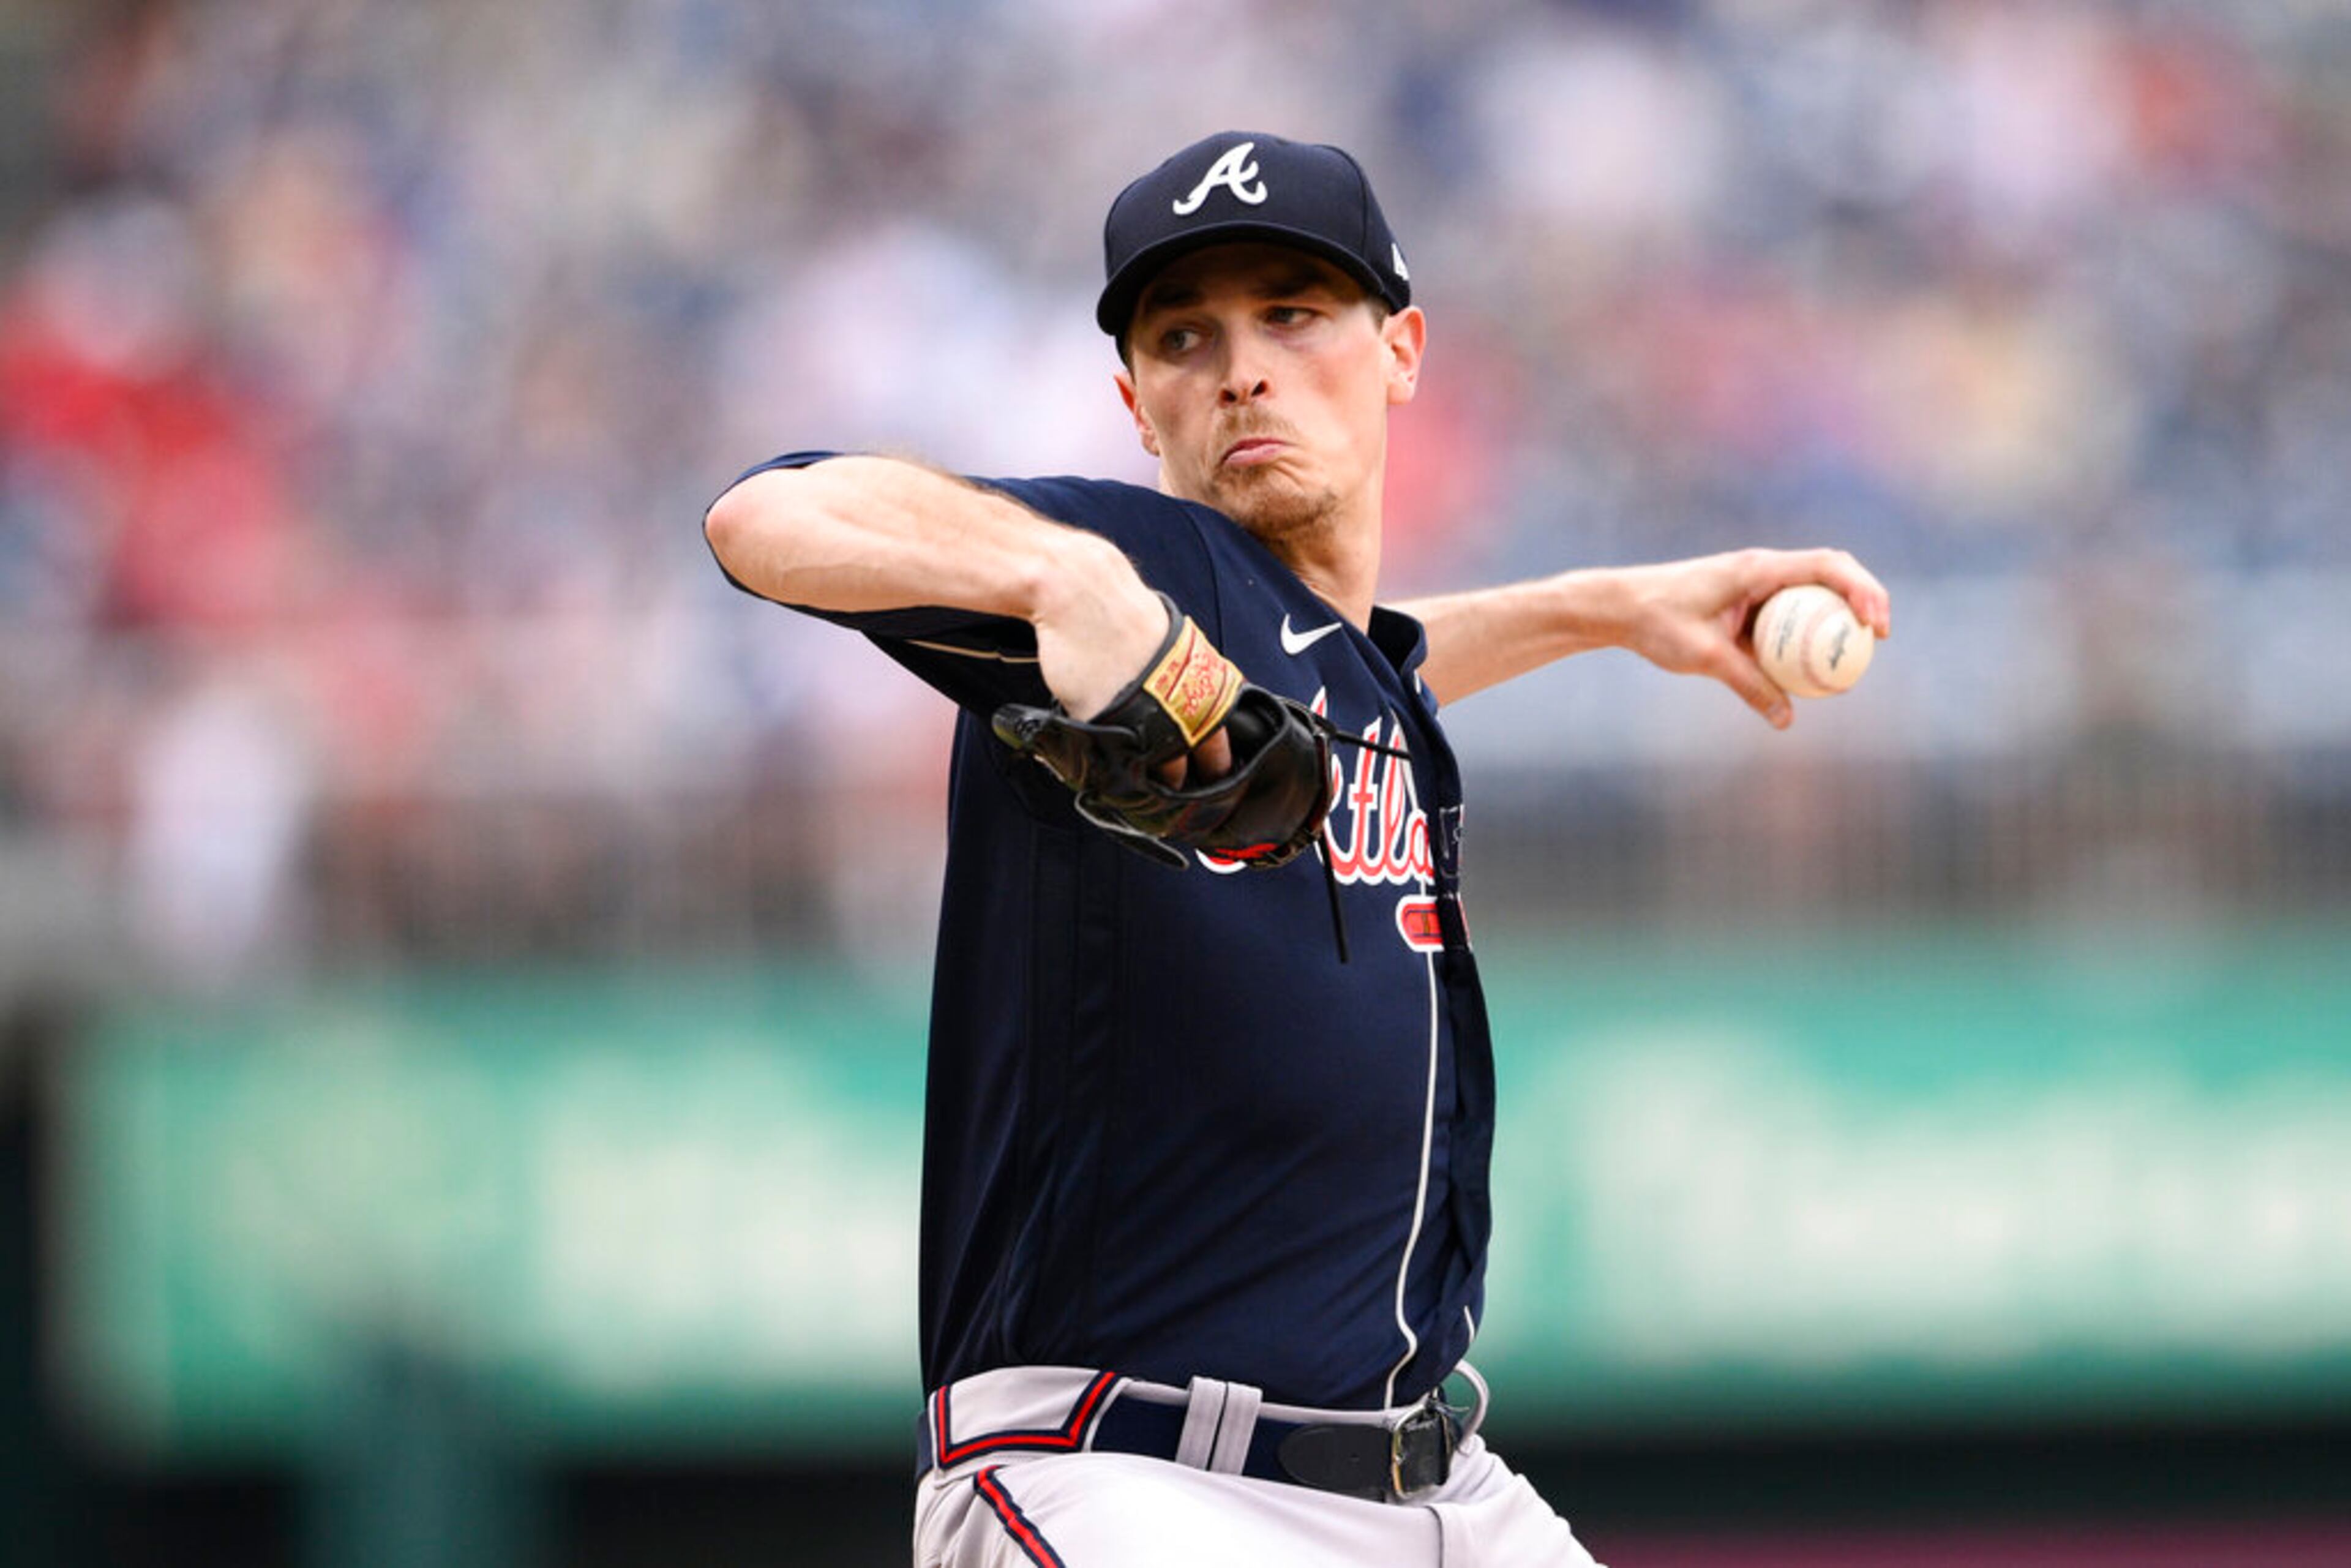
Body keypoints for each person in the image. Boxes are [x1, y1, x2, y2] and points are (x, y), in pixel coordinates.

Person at [703, 131, 1889, 1567]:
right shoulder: (1133, 573)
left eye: (1292, 313)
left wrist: (1611, 607)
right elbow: (766, 514)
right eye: (1185, 335)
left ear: (1400, 350)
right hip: (1132, 1474)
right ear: (1136, 403)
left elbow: (1377, 671)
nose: (1242, 367)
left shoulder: (1335, 673)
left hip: (1435, 1487)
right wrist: (1052, 571)